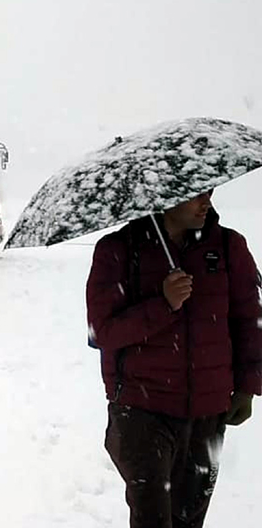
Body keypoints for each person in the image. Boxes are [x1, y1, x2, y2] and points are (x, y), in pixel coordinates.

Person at [87, 190, 262, 528]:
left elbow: (251, 320)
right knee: (153, 518)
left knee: (189, 518)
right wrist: (163, 303)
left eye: (209, 191)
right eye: (196, 194)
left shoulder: (228, 247)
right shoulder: (117, 250)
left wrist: (247, 387)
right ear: (164, 194)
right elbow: (102, 332)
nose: (206, 201)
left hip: (207, 414)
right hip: (141, 413)